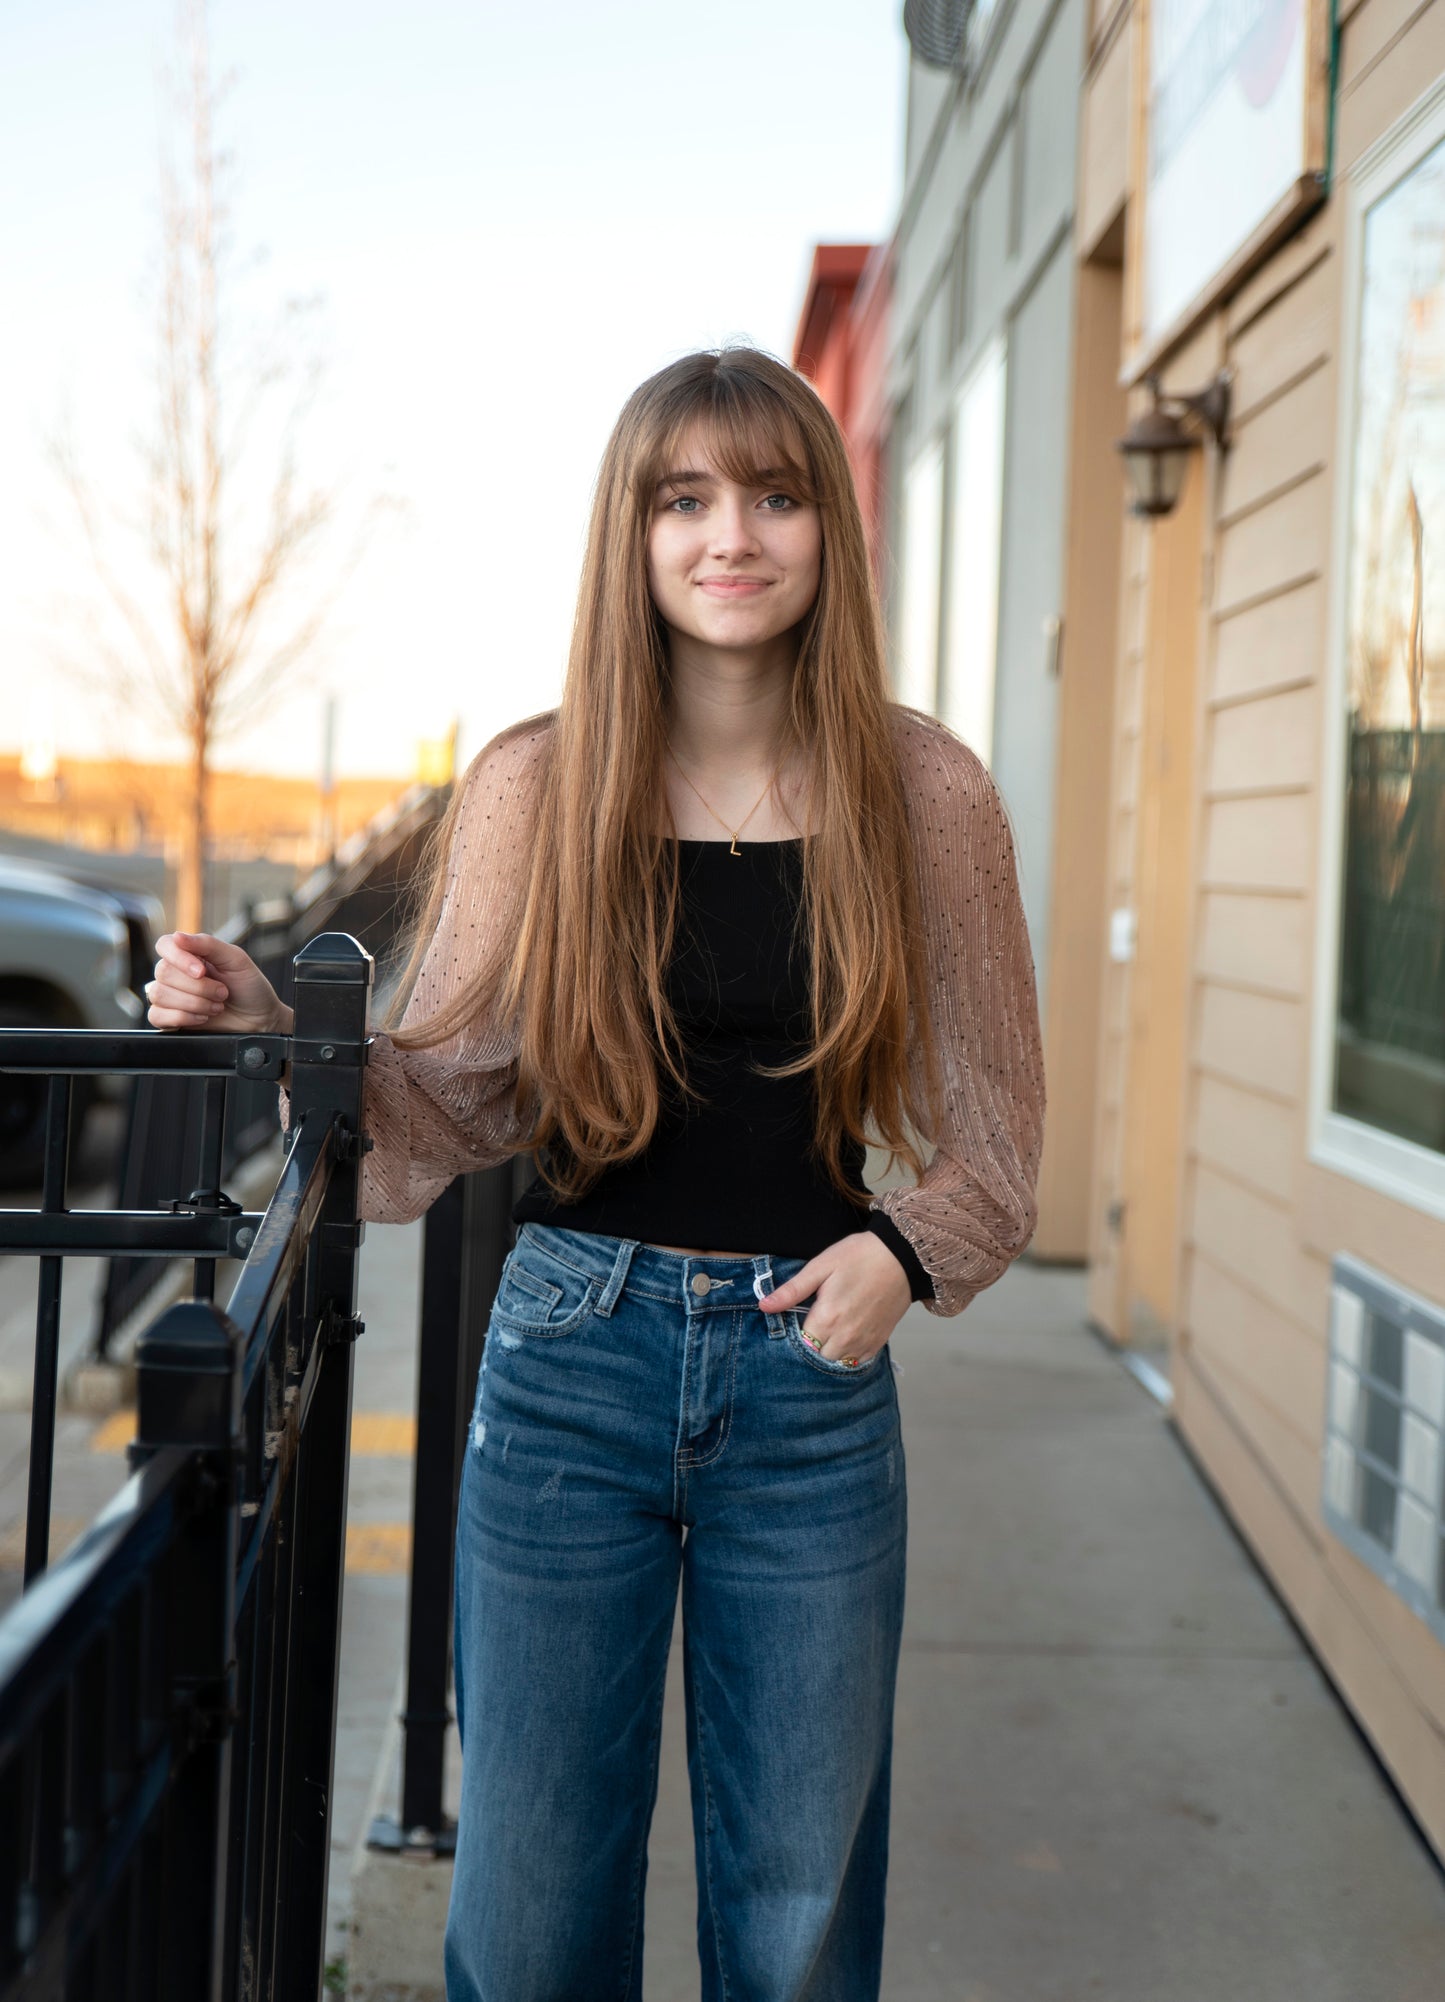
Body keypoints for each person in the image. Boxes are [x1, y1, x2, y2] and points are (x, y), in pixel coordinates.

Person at [145, 344, 1046, 2002]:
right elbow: (460, 1090)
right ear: (629, 535)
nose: (731, 535)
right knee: (537, 1895)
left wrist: (904, 1257)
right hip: (571, 1360)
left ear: (826, 531)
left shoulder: (922, 790)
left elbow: (995, 1131)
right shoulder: (539, 782)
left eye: (774, 495)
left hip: (812, 1370)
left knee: (799, 1908)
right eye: (683, 498)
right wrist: (282, 1018)